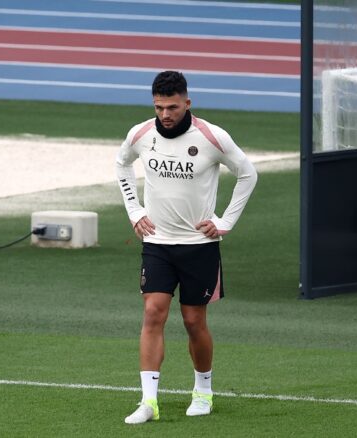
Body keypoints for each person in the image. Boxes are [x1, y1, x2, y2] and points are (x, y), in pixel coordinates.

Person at [116, 71, 257, 423]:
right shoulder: (140, 134)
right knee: (153, 313)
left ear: (187, 103)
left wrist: (225, 222)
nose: (165, 114)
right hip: (157, 242)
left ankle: (203, 391)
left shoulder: (211, 136)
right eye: (160, 107)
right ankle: (149, 403)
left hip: (199, 245)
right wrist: (135, 210)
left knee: (194, 321)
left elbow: (247, 173)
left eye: (173, 107)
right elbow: (121, 164)